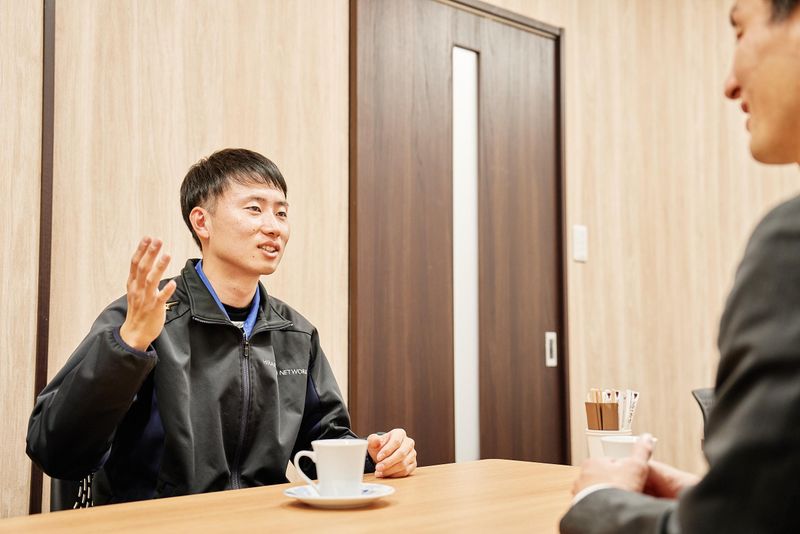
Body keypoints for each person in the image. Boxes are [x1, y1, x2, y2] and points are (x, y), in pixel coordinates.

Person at [27, 148, 417, 505]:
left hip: (258, 521)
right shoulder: (145, 316)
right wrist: (129, 346)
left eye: (281, 213)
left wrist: (376, 455)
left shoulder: (294, 334)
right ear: (202, 221)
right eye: (254, 209)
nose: (274, 227)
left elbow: (323, 444)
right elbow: (54, 449)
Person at [560, 0, 800, 532]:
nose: (729, 84)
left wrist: (597, 499)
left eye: (739, 31)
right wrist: (715, 497)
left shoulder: (792, 242)